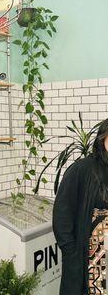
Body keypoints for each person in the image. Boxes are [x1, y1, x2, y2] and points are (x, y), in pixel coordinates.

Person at [53, 118, 108, 294]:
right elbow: (62, 215)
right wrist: (71, 253)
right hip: (90, 258)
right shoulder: (82, 169)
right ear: (102, 138)